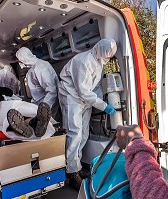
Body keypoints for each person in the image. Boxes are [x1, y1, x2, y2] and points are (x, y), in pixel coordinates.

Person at [59, 38, 118, 190]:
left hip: (85, 100)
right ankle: (71, 172)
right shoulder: (84, 61)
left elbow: (96, 86)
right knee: (75, 133)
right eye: (107, 55)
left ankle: (76, 166)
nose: (107, 59)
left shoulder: (99, 62)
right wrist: (104, 106)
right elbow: (83, 91)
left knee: (84, 133)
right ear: (100, 49)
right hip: (71, 96)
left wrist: (98, 101)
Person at [0, 71, 53, 140]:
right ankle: (20, 127)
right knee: (2, 114)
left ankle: (35, 121)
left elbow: (8, 91)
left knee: (23, 108)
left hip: (6, 103)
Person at [16, 47, 60, 120]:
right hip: (38, 104)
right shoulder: (32, 69)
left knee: (46, 127)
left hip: (45, 104)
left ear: (24, 58)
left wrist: (44, 108)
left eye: (20, 60)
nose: (20, 63)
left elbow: (52, 91)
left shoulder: (41, 67)